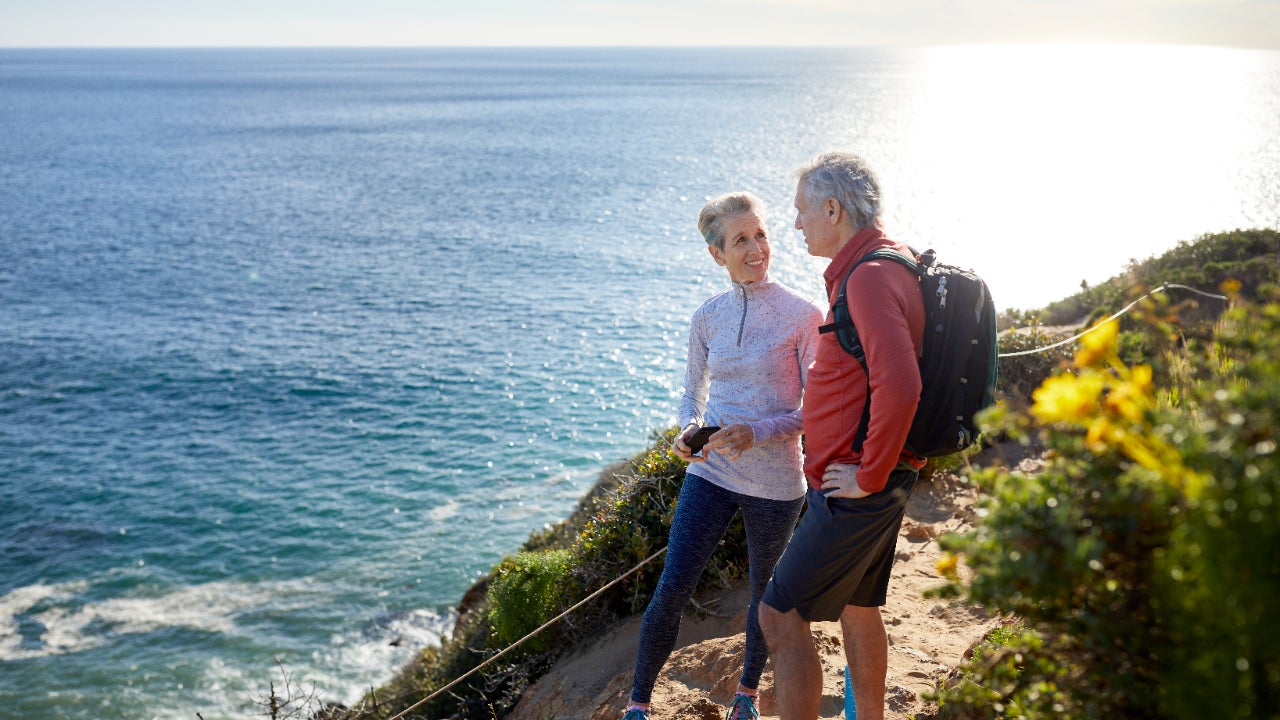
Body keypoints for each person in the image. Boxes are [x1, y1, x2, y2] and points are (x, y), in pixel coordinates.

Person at [621, 192, 823, 720]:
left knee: (765, 597)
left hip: (777, 482)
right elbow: (693, 394)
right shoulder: (706, 318)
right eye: (741, 240)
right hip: (711, 471)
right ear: (718, 255)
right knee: (671, 588)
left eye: (761, 235)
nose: (757, 248)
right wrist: (689, 430)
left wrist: (757, 432)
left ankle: (746, 698)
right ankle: (638, 707)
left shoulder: (803, 316)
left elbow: (817, 409)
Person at [758, 152, 927, 720]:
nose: (797, 224)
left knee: (778, 616)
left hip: (857, 486)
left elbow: (901, 385)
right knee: (858, 605)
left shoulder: (871, 277)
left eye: (803, 211)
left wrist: (868, 475)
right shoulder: (884, 262)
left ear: (833, 208)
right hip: (875, 476)